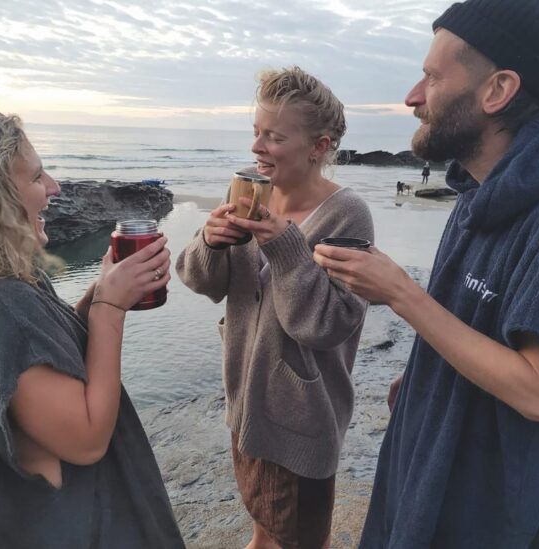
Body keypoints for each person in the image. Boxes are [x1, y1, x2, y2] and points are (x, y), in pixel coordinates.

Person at [314, 0, 539, 547]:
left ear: (497, 90)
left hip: (496, 518)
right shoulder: (477, 194)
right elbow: (473, 325)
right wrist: (426, 378)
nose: (413, 97)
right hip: (428, 479)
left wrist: (400, 293)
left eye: (432, 77)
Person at [0, 109, 185, 548]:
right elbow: (85, 439)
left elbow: (30, 361)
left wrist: (94, 297)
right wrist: (107, 310)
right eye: (36, 177)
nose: (54, 188)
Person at [177, 67, 373, 549]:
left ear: (319, 146)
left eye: (274, 137)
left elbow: (326, 325)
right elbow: (202, 282)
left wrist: (287, 248)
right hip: (246, 406)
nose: (257, 148)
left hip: (303, 419)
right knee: (262, 529)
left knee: (304, 541)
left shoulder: (347, 215)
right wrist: (211, 241)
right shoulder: (247, 194)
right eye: (256, 133)